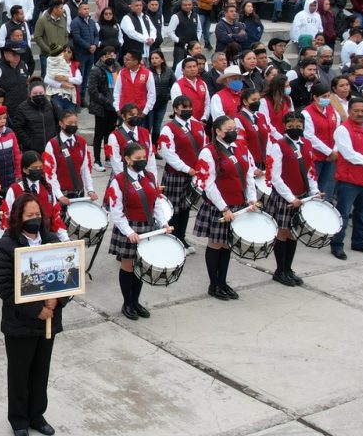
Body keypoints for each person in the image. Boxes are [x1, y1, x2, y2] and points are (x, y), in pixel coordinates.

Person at [0, 190, 68, 436]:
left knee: (40, 371)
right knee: (19, 372)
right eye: (30, 215)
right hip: (20, 323)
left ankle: (37, 415)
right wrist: (37, 310)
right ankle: (19, 420)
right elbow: (4, 287)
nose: (35, 218)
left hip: (49, 320)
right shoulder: (7, 245)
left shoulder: (52, 240)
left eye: (38, 214)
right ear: (18, 217)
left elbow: (67, 276)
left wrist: (57, 302)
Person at [103, 141, 173, 315]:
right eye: (137, 158)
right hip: (130, 227)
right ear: (127, 159)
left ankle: (136, 301)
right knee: (128, 265)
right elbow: (116, 211)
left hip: (147, 226)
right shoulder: (119, 181)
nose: (142, 161)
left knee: (141, 266)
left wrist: (163, 223)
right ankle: (127, 303)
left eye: (143, 157)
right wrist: (129, 232)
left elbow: (156, 203)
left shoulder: (148, 176)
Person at [190, 118, 255, 301]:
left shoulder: (241, 146)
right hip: (220, 205)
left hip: (238, 203)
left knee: (227, 244)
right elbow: (208, 184)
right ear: (218, 131)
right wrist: (224, 208)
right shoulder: (208, 152)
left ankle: (223, 281)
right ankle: (214, 284)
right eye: (229, 129)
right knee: (216, 244)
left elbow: (248, 174)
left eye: (234, 128)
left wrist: (251, 199)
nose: (233, 131)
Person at [264, 111, 320, 284]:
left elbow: (310, 170)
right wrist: (290, 197)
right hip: (285, 197)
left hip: (301, 195)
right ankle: (280, 270)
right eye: (291, 126)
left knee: (293, 232)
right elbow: (275, 176)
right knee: (282, 231)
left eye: (298, 125)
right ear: (285, 126)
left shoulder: (306, 144)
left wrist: (314, 191)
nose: (295, 128)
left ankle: (288, 268)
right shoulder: (278, 145)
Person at [329, 99, 363, 259]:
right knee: (343, 214)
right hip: (348, 180)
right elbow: (348, 154)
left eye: (362, 111)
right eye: (356, 110)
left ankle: (359, 242)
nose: (359, 114)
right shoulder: (343, 130)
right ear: (350, 111)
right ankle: (337, 244)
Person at [156, 95, 205, 245]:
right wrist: (186, 168)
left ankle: (182, 238)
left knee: (186, 208)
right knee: (173, 209)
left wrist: (200, 168)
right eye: (184, 108)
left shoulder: (197, 125)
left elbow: (203, 147)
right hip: (176, 174)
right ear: (176, 109)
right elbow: (168, 153)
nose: (188, 110)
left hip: (193, 173)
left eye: (189, 107)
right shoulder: (168, 129)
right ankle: (171, 238)